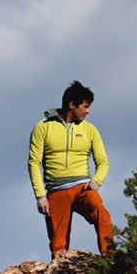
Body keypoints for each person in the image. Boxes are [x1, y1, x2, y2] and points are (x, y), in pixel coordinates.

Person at [27, 80, 114, 259]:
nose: (88, 111)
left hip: (83, 188)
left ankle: (112, 262)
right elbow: (34, 162)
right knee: (58, 244)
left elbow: (103, 161)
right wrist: (40, 196)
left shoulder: (90, 130)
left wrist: (97, 179)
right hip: (56, 191)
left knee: (103, 216)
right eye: (85, 106)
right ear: (72, 105)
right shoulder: (43, 127)